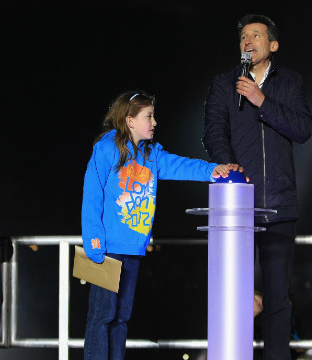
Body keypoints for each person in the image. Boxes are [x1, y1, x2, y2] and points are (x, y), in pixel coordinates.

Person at [81, 90, 240, 360]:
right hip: (105, 249)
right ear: (130, 120)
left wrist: (213, 170)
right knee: (101, 317)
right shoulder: (106, 148)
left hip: (133, 249)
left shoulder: (152, 154)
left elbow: (180, 166)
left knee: (120, 319)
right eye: (149, 116)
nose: (154, 123)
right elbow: (92, 196)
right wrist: (93, 243)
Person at [202, 14, 312, 360]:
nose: (247, 42)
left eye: (255, 35)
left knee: (277, 297)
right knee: (234, 294)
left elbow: (304, 129)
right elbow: (213, 133)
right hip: (237, 205)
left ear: (273, 45)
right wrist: (228, 162)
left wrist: (261, 101)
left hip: (280, 204)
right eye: (243, 38)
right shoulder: (224, 84)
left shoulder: (290, 82)